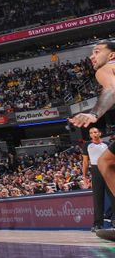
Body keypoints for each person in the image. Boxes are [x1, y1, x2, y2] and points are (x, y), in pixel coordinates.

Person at [69, 41, 115, 241]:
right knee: (107, 161)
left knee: (105, 162)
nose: (91, 56)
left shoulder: (107, 68)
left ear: (111, 55)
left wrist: (95, 114)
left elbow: (112, 89)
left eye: (97, 51)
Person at [83, 127, 112, 232]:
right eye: (91, 133)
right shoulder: (87, 145)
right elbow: (85, 162)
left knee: (113, 196)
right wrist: (84, 176)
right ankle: (98, 224)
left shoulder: (107, 144)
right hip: (95, 170)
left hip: (108, 170)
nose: (93, 134)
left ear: (100, 133)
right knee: (98, 198)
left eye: (95, 132)